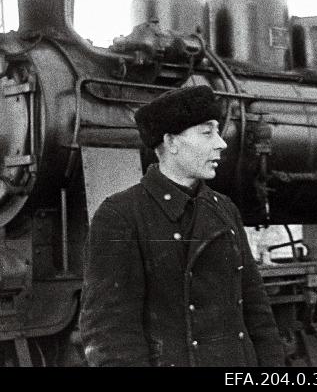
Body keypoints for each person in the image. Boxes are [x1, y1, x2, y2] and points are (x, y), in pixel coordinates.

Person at [79, 85, 286, 367]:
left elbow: (256, 311)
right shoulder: (120, 216)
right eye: (206, 132)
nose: (221, 143)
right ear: (172, 142)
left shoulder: (225, 209)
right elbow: (110, 335)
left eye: (217, 130)